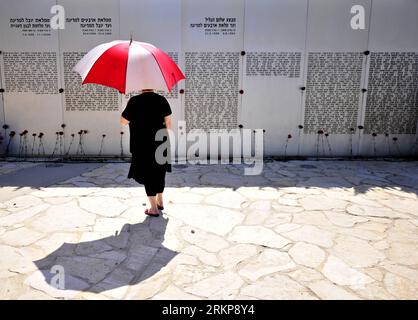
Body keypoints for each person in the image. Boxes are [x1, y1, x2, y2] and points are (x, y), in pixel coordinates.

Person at [120, 89, 172, 217]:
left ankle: (153, 208)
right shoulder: (161, 100)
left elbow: (123, 121)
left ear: (140, 87)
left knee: (147, 173)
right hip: (161, 141)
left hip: (142, 143)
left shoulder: (134, 101)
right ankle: (160, 200)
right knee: (160, 171)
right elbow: (168, 124)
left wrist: (130, 107)